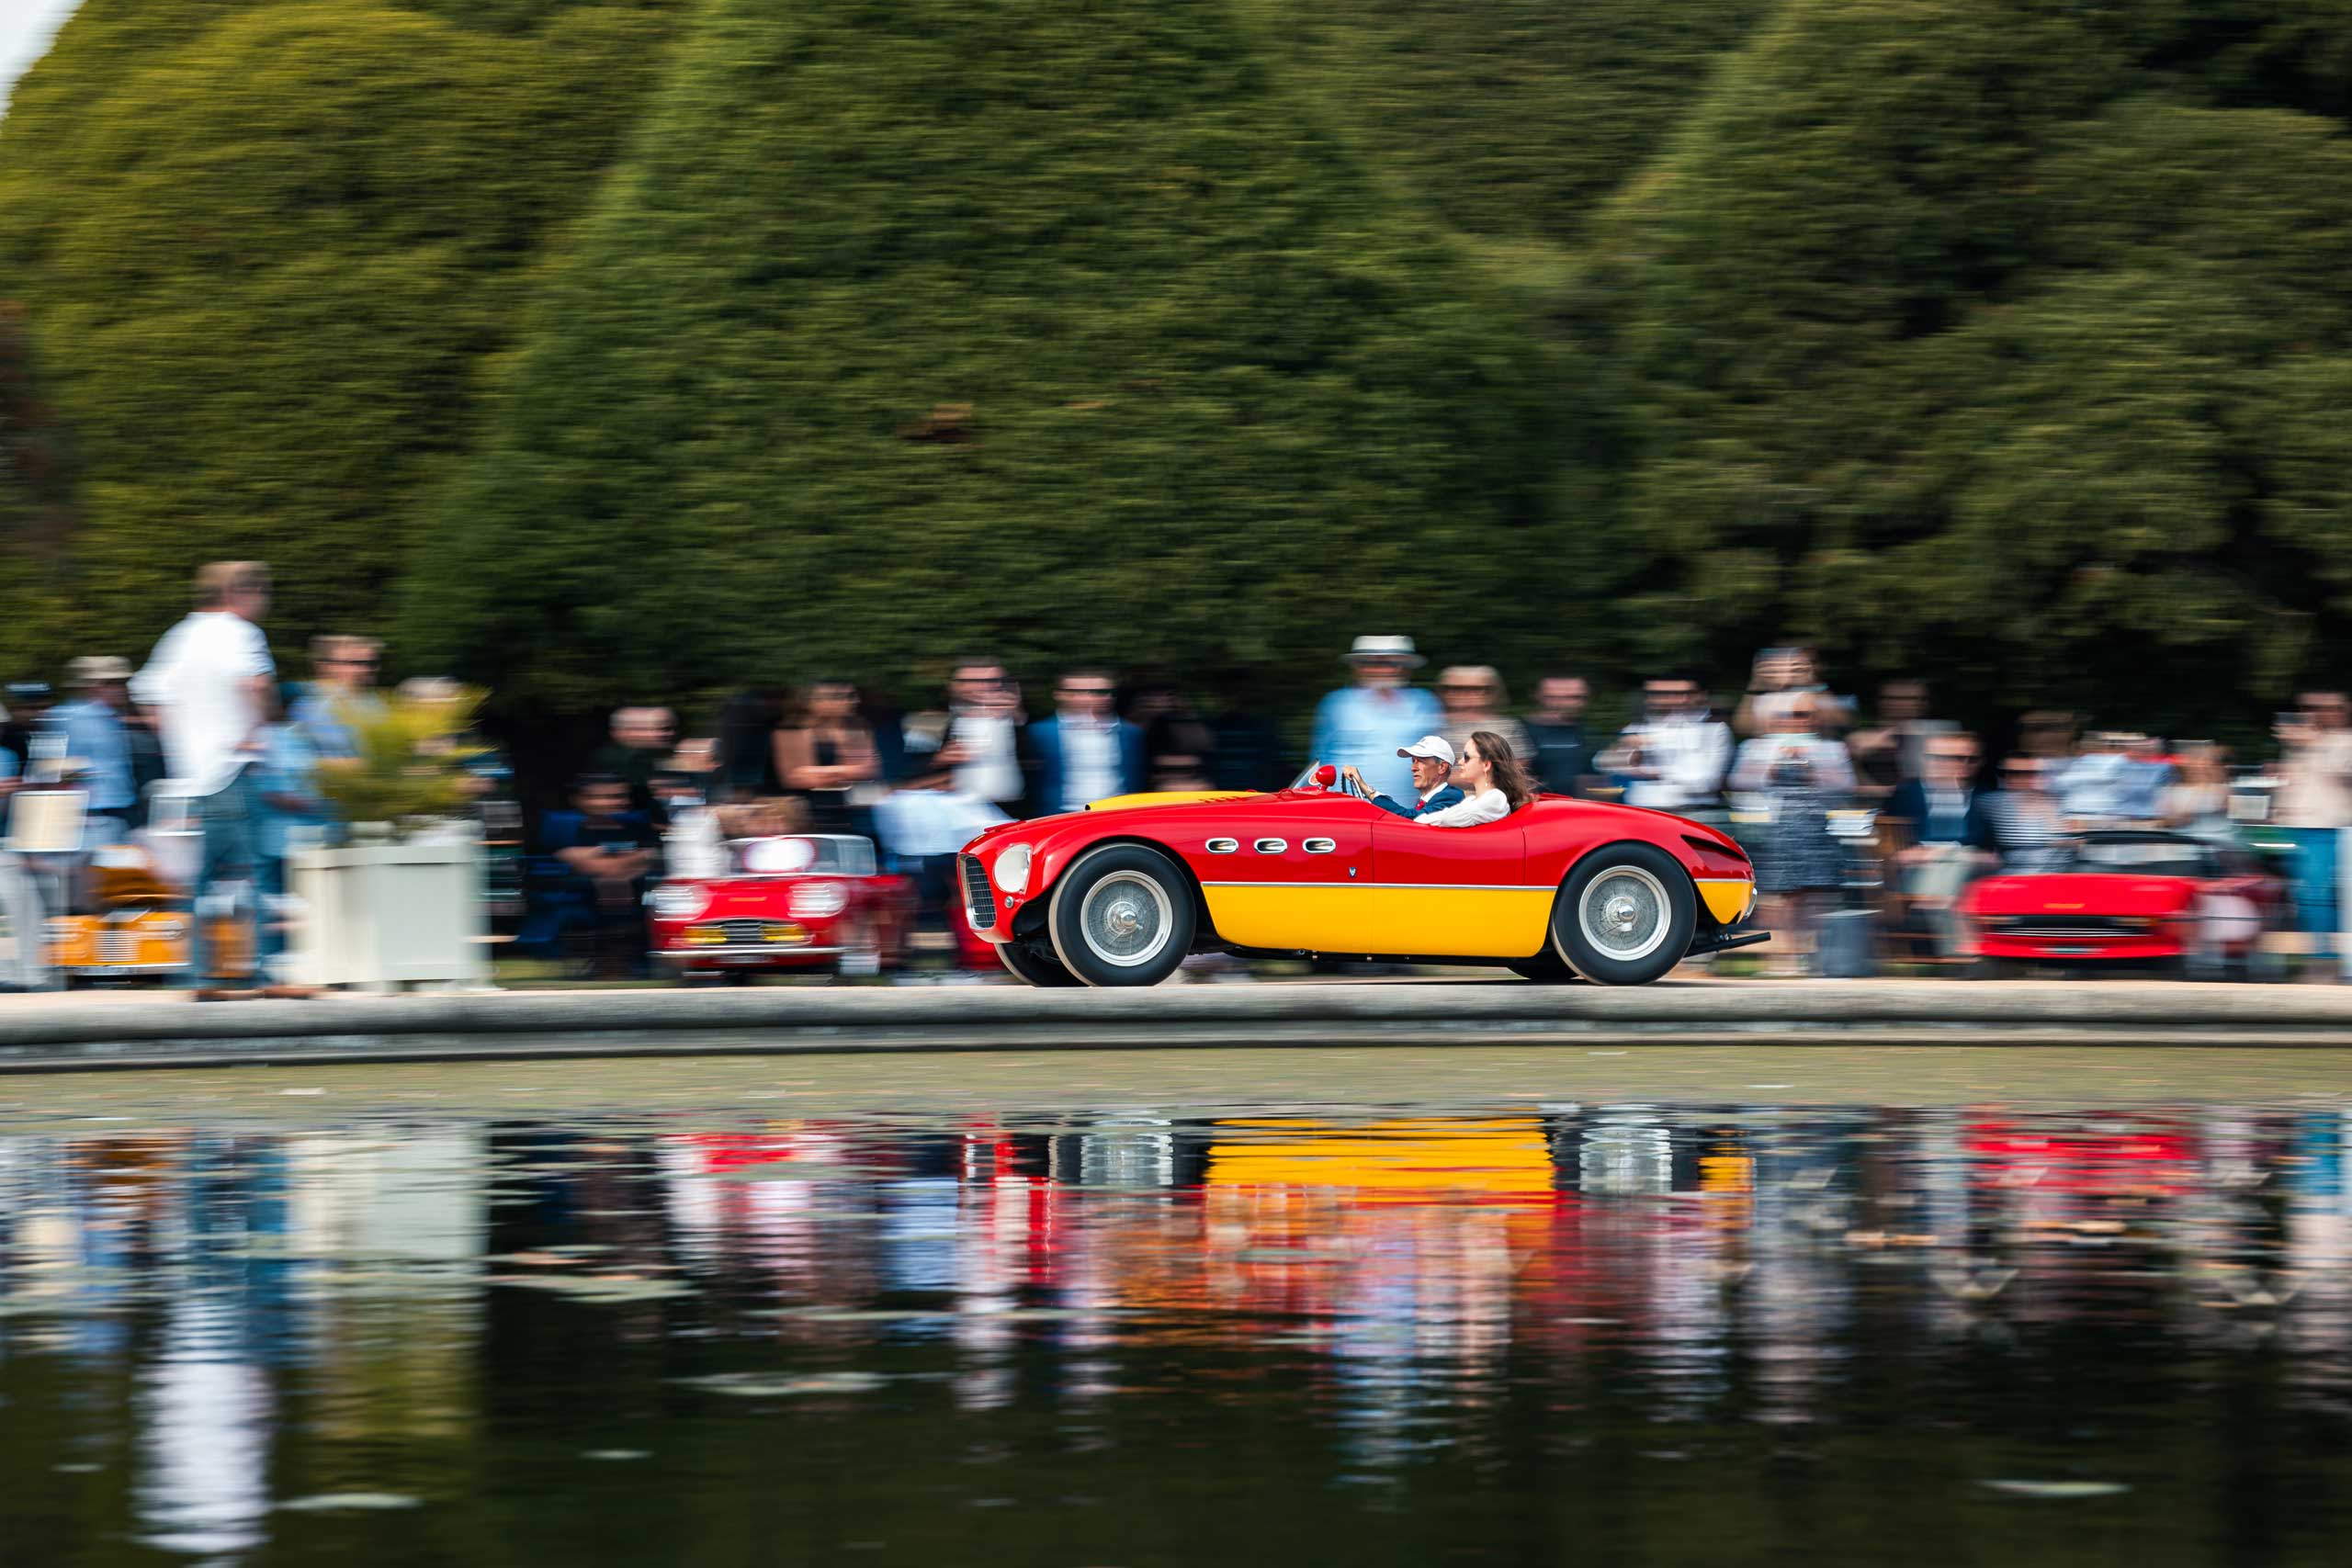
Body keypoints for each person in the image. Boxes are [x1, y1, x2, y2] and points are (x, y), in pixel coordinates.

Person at [131, 561, 277, 998]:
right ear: (242, 595)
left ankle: (197, 973)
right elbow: (253, 684)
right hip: (233, 768)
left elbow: (148, 695)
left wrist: (180, 740)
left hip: (193, 777)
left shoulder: (179, 636)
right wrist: (255, 732)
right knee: (256, 871)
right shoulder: (239, 633)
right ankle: (257, 972)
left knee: (201, 881)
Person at [1729, 693, 1855, 975]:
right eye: (1790, 714)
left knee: (1813, 894)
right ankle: (1778, 959)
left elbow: (1846, 784)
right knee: (1775, 896)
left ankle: (1810, 957)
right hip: (1771, 829)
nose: (1798, 721)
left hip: (1814, 829)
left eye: (1805, 715)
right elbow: (1739, 780)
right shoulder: (1756, 747)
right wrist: (1772, 768)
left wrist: (1813, 771)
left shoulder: (1831, 749)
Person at [1883, 732, 1999, 957]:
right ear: (1929, 759)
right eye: (1951, 758)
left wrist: (1944, 853)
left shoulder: (1985, 796)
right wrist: (1906, 854)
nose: (1962, 764)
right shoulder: (1906, 793)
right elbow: (1889, 844)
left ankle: (1933, 904)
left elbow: (1994, 852)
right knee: (1954, 864)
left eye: (1969, 758)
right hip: (1917, 868)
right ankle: (1963, 953)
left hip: (1970, 866)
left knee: (1957, 858)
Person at [537, 773, 661, 978]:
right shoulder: (567, 829)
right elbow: (576, 861)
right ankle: (610, 963)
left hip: (636, 894)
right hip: (585, 895)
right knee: (609, 890)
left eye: (619, 796)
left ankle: (623, 963)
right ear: (581, 800)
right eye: (603, 797)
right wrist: (628, 860)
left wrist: (600, 857)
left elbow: (650, 859)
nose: (614, 802)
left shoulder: (637, 828)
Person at [2273, 691, 2352, 980]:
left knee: (2320, 894)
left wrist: (2314, 746)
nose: (2318, 713)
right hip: (2297, 824)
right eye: (2310, 707)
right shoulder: (2301, 742)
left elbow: (2344, 777)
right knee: (2302, 895)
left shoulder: (2345, 740)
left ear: (2343, 711)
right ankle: (2316, 953)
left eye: (2327, 708)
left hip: (2329, 825)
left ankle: (2326, 958)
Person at [1310, 636, 1442, 802]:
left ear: (1406, 667)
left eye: (1392, 663)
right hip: (1347, 809)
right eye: (1372, 663)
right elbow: (1318, 762)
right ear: (1357, 667)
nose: (1383, 670)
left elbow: (1438, 758)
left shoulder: (1425, 702)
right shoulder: (1337, 704)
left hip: (1406, 813)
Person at [1600, 675, 1733, 819]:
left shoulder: (1713, 729)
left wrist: (1653, 771)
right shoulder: (1640, 727)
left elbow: (1705, 783)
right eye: (1658, 694)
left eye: (1680, 694)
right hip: (1642, 812)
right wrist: (1626, 751)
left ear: (1698, 696)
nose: (1669, 700)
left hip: (1693, 814)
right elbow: (1603, 763)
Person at [46, 656, 139, 850]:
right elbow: (52, 768)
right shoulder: (65, 718)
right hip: (89, 815)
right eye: (112, 683)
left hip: (120, 810)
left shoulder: (112, 718)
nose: (122, 688)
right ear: (91, 686)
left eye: (122, 682)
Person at [1028, 669, 1144, 816]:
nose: (1090, 697)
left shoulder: (1131, 733)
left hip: (1117, 815)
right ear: (1059, 695)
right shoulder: (1039, 732)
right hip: (1059, 817)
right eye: (1079, 691)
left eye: (1101, 692)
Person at [773, 680, 881, 835]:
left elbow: (868, 770)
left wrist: (821, 773)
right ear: (814, 701)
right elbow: (796, 777)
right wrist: (846, 772)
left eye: (851, 696)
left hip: (854, 812)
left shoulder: (858, 727)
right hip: (810, 814)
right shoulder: (792, 729)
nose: (854, 701)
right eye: (843, 696)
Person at [290, 636, 385, 762]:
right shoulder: (311, 707)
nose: (365, 669)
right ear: (327, 666)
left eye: (371, 663)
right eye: (354, 663)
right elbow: (298, 759)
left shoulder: (375, 702)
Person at [1415, 730, 1534, 827]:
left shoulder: (1496, 798)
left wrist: (1421, 820)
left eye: (1467, 757)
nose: (1460, 761)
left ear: (1486, 765)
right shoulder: (1471, 800)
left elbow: (1449, 818)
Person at [1341, 735, 1465, 820]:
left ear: (1442, 768)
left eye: (1420, 761)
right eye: (1413, 761)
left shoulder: (1451, 797)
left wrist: (1364, 788)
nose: (1413, 768)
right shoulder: (1425, 802)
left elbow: (1412, 819)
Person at [592, 706, 677, 827]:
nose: (670, 733)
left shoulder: (641, 758)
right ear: (630, 730)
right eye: (663, 729)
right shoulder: (623, 761)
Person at [1433, 666, 1532, 767]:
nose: (1465, 694)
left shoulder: (1506, 726)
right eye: (1455, 688)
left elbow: (1518, 766)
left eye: (1477, 689)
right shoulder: (1431, 724)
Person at [1984, 753, 2066, 872]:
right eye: (2011, 773)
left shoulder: (2061, 805)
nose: (2020, 779)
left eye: (2030, 774)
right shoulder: (1990, 804)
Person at [1524, 675, 1595, 798]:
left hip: (1581, 810)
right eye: (1553, 697)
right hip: (1536, 808)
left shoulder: (1590, 733)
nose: (1563, 703)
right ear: (1538, 697)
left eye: (1574, 697)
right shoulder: (1522, 731)